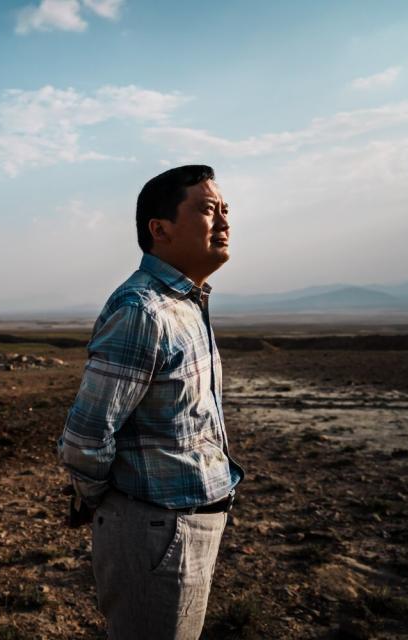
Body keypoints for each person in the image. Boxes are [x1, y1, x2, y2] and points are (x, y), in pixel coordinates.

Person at [58, 165, 244, 639]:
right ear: (158, 230)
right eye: (207, 210)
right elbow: (85, 437)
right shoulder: (143, 311)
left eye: (225, 210)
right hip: (155, 529)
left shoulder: (184, 303)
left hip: (182, 524)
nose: (224, 221)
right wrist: (113, 504)